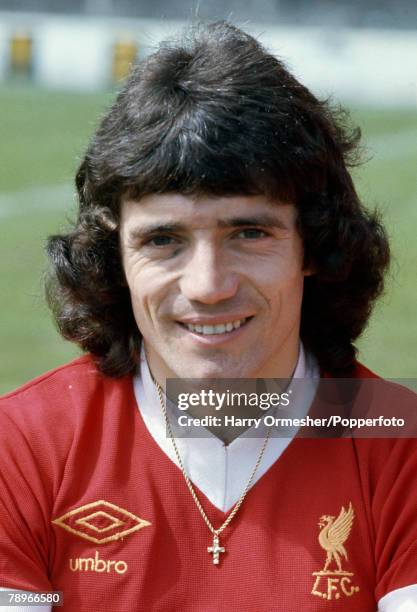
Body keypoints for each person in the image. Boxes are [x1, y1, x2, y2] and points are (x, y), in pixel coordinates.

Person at [0, 21, 416, 612]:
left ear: (314, 246)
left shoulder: (401, 443)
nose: (208, 287)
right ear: (115, 256)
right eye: (164, 240)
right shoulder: (20, 448)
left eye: (249, 233)